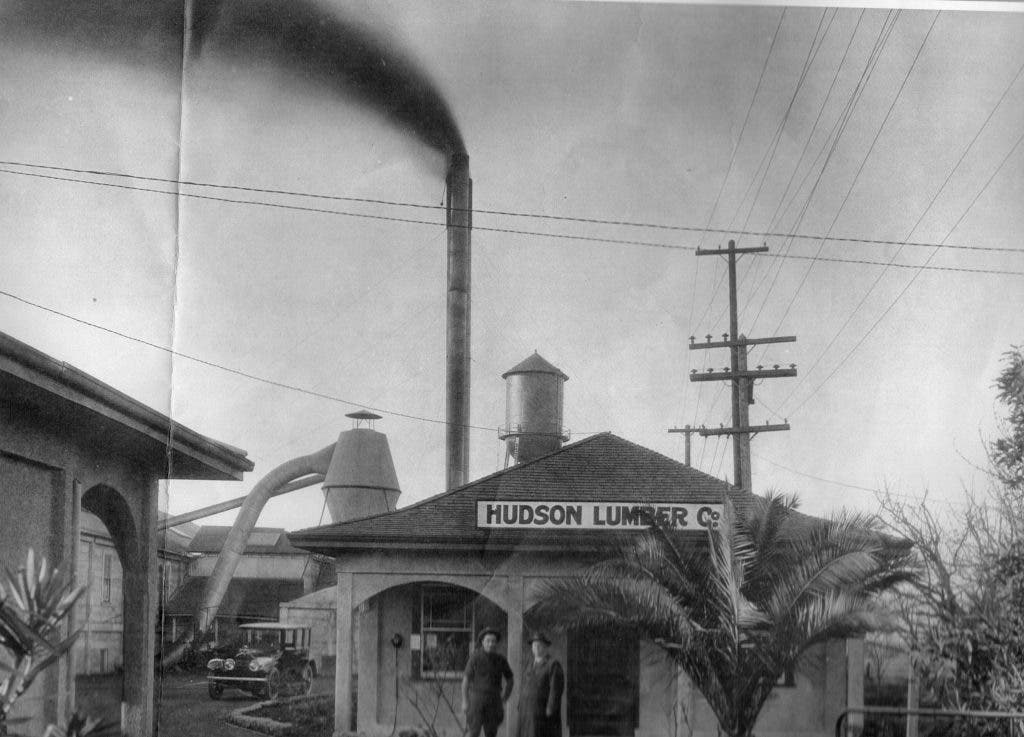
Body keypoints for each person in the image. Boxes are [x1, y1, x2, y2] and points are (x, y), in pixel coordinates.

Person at [462, 627, 514, 737]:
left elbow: (510, 679)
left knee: (491, 733)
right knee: (473, 732)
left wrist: (505, 697)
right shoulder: (475, 657)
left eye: (493, 641)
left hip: (494, 701)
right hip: (476, 701)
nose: (491, 644)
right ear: (482, 642)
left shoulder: (501, 659)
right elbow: (466, 680)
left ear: (496, 643)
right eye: (488, 641)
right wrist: (465, 701)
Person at [517, 632, 564, 737]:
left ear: (546, 647)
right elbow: (523, 685)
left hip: (541, 709)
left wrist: (550, 708)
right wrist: (520, 704)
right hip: (526, 709)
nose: (537, 648)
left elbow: (556, 689)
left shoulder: (553, 664)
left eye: (540, 645)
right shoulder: (529, 664)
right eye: (534, 645)